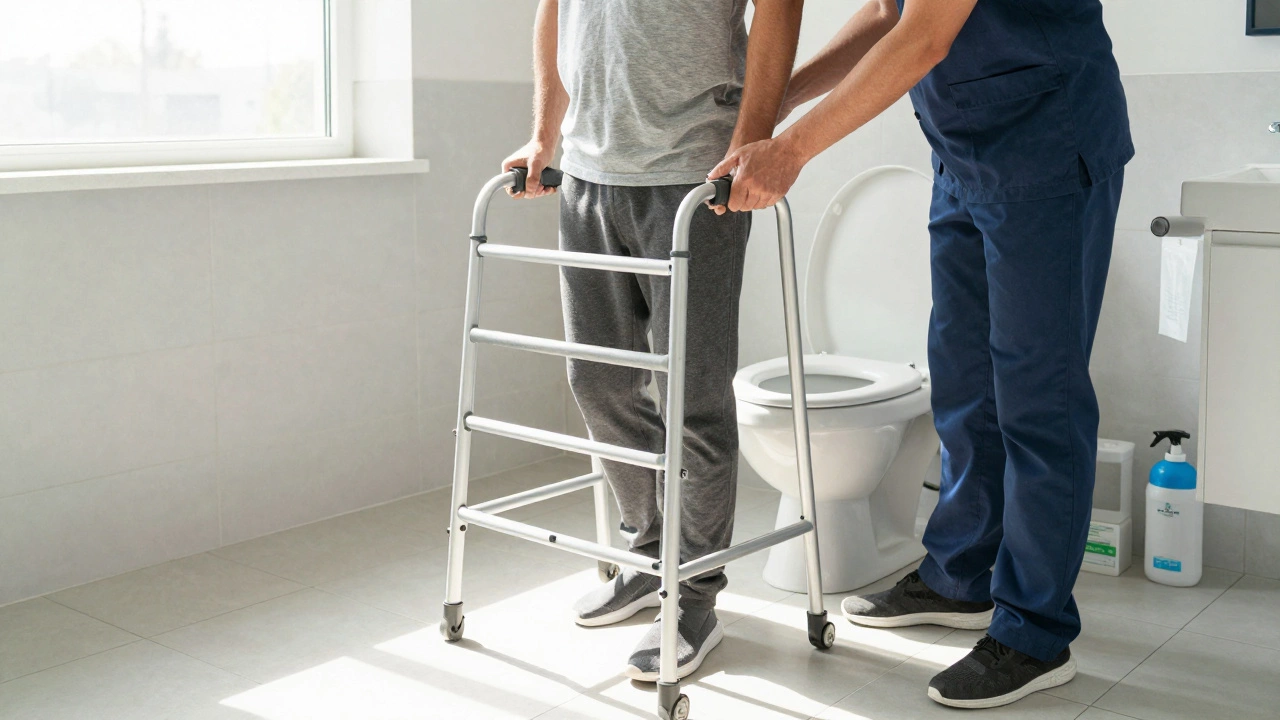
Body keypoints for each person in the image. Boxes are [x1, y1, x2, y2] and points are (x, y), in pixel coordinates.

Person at [710, 0, 1132, 709]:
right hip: (963, 151)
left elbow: (925, 36)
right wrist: (777, 99)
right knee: (964, 380)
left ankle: (1035, 632)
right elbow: (884, 13)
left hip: (1047, 141)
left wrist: (789, 149)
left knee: (1038, 394)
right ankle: (958, 575)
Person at [502, 0, 803, 681]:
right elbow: (553, 12)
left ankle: (694, 597)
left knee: (692, 399)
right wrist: (545, 136)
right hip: (588, 174)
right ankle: (650, 552)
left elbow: (781, 10)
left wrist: (748, 144)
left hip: (696, 174)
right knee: (597, 379)